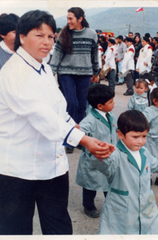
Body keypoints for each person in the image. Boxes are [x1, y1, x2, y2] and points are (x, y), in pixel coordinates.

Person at [0, 10, 113, 235]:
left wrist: (74, 125)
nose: (47, 42)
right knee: (16, 229)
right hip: (19, 170)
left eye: (51, 36)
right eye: (39, 35)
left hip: (51, 166)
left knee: (59, 225)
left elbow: (57, 106)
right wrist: (82, 139)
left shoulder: (42, 66)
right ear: (22, 37)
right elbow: (40, 114)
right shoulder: (14, 72)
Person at [98, 110, 158, 234]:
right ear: (120, 134)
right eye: (135, 137)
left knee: (152, 232)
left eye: (144, 136)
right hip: (122, 210)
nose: (140, 141)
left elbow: (154, 162)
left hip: (147, 208)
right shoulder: (115, 155)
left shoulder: (144, 152)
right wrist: (102, 155)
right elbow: (102, 167)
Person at [50, 7, 100, 153]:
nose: (68, 21)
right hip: (66, 73)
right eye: (67, 18)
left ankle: (77, 137)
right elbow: (57, 56)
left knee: (82, 105)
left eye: (70, 18)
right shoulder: (64, 35)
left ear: (80, 19)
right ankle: (69, 137)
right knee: (71, 103)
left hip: (84, 74)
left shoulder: (91, 34)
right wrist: (50, 74)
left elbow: (94, 54)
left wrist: (96, 71)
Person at [76, 84, 117, 219]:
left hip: (108, 158)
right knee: (90, 185)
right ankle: (88, 205)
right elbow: (80, 132)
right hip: (93, 160)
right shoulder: (90, 119)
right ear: (100, 106)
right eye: (110, 102)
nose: (114, 103)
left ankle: (111, 204)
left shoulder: (110, 115)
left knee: (109, 182)